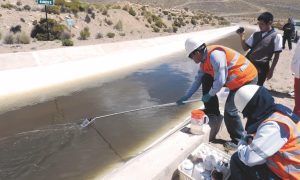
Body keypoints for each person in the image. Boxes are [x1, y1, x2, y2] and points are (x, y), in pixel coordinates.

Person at [176, 38, 257, 146]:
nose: (191, 59)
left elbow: (221, 80)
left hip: (246, 79)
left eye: (191, 56)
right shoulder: (203, 63)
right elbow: (197, 81)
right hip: (234, 80)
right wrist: (186, 96)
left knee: (230, 111)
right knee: (205, 78)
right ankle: (212, 111)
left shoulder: (215, 55)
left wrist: (209, 95)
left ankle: (238, 140)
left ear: (197, 52)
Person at [231, 84, 300, 180]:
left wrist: (242, 143)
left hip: (290, 176)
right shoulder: (277, 112)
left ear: (252, 109)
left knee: (237, 160)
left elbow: (249, 159)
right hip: (290, 166)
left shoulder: (273, 127)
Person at [237, 12, 282, 86]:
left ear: (269, 23)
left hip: (262, 67)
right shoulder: (255, 34)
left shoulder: (276, 36)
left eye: (262, 24)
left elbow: (277, 55)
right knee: (244, 85)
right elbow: (245, 48)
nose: (259, 26)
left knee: (256, 87)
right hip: (249, 63)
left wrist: (271, 70)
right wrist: (242, 36)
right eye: (259, 23)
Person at [291, 41, 300, 117]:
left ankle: (295, 115)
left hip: (298, 70)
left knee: (298, 94)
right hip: (297, 70)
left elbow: (296, 53)